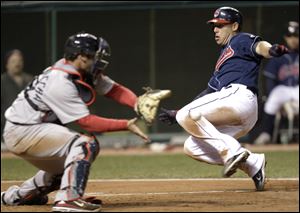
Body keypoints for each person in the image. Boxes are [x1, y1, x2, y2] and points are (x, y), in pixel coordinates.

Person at [1, 32, 149, 212]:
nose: (98, 60)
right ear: (81, 56)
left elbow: (114, 90)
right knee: (86, 144)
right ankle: (68, 200)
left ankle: (17, 196)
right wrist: (125, 125)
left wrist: (137, 103)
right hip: (23, 131)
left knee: (67, 167)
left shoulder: (79, 71)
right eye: (95, 56)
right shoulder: (60, 81)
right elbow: (87, 122)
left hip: (31, 128)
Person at [158, 7, 289, 191]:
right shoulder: (222, 62)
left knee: (187, 116)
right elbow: (207, 95)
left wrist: (272, 50)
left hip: (239, 97)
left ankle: (232, 152)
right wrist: (177, 113)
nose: (215, 30)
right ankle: (253, 163)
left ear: (234, 25)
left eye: (220, 25)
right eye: (214, 26)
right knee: (192, 146)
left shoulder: (239, 39)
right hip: (237, 112)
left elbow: (260, 46)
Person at [254, 21, 299, 145]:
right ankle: (266, 134)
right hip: (283, 89)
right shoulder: (278, 55)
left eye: (296, 36)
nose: (293, 39)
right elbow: (270, 80)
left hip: (297, 89)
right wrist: (270, 95)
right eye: (290, 36)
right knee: (274, 96)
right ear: (285, 37)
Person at [1, 49, 33, 141]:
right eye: (13, 61)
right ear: (7, 64)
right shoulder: (2, 82)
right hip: (6, 131)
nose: (17, 64)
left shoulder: (30, 80)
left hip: (29, 130)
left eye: (20, 61)